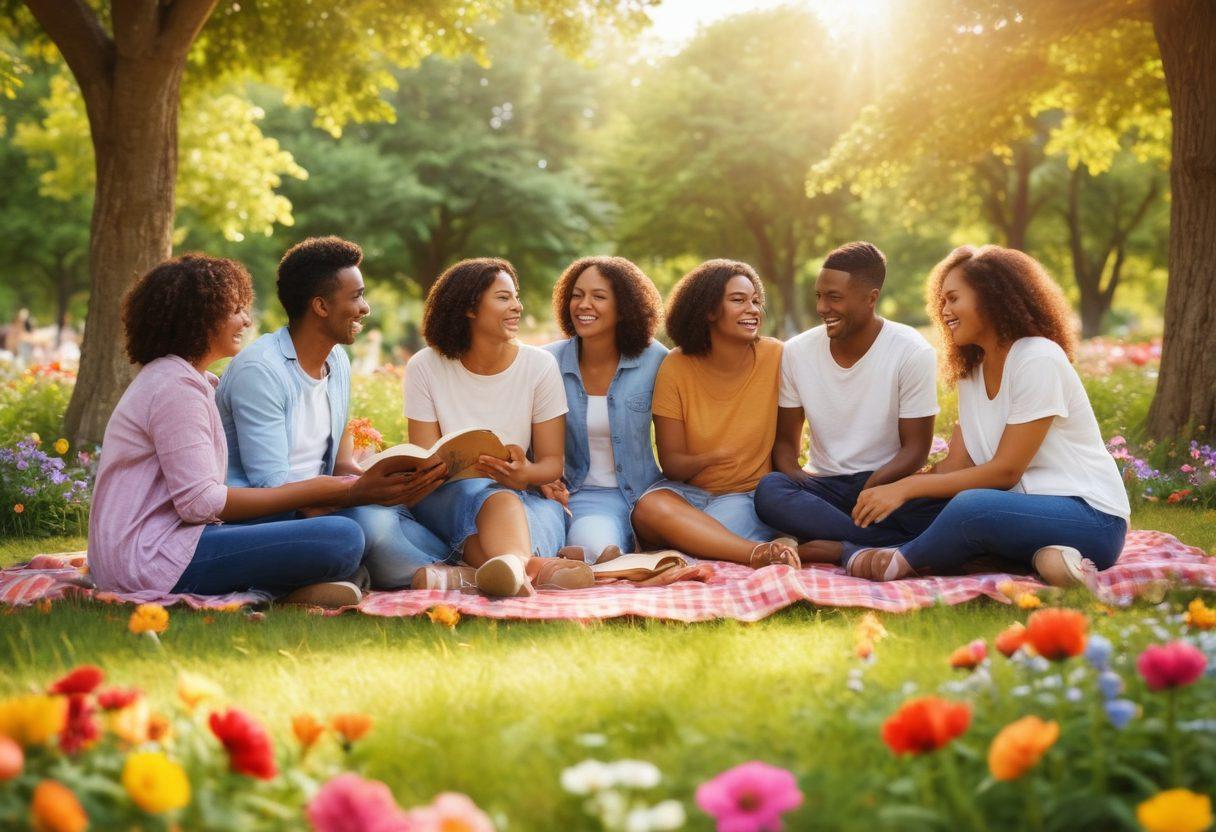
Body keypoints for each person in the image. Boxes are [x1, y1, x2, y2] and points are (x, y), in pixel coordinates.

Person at [89, 255, 421, 607]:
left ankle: (307, 584)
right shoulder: (175, 389)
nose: (246, 320)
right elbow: (201, 503)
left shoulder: (189, 381)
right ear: (198, 316)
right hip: (149, 559)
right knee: (343, 538)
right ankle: (301, 585)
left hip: (170, 543)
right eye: (235, 309)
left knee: (329, 529)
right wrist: (314, 492)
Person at [842, 245, 1130, 584]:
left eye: (952, 298)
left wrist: (908, 486)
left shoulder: (1037, 358)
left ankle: (898, 561)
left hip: (1091, 518)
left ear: (991, 297)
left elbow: (1006, 471)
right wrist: (891, 490)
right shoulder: (972, 372)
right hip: (1018, 512)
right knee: (916, 509)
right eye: (942, 302)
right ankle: (1050, 558)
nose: (944, 310)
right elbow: (957, 464)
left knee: (970, 508)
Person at [216, 237, 448, 591]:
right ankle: (454, 576)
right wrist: (353, 495)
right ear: (321, 306)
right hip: (271, 516)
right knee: (368, 526)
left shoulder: (337, 361)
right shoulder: (260, 370)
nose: (366, 308)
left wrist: (397, 482)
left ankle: (432, 570)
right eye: (356, 296)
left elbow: (342, 466)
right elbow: (271, 485)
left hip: (325, 504)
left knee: (407, 510)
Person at [404, 258, 589, 597]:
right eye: (504, 298)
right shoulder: (425, 367)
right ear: (470, 308)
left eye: (516, 297)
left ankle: (476, 576)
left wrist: (524, 474)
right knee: (501, 503)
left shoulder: (538, 366)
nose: (516, 306)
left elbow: (551, 464)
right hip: (446, 497)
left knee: (543, 516)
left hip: (519, 493)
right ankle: (529, 567)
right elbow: (424, 462)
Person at [754, 242, 944, 563]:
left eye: (834, 297)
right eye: (819, 296)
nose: (823, 307)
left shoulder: (911, 351)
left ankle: (837, 542)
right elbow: (786, 443)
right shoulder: (797, 352)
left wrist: (871, 491)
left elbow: (916, 449)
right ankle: (874, 543)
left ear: (870, 298)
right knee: (771, 490)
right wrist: (797, 476)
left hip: (886, 482)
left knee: (945, 505)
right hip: (824, 488)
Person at [629, 260, 799, 568]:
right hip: (688, 493)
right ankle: (748, 548)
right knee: (647, 508)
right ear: (709, 311)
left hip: (746, 495)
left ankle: (750, 552)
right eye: (738, 300)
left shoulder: (776, 356)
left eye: (756, 301)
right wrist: (709, 459)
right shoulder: (676, 366)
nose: (753, 309)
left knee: (710, 529)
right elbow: (673, 463)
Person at [540, 257, 668, 563]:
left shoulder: (656, 360)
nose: (584, 305)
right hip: (582, 496)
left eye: (598, 296)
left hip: (646, 493)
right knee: (592, 547)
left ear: (624, 307)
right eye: (577, 295)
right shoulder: (547, 362)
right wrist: (540, 478)